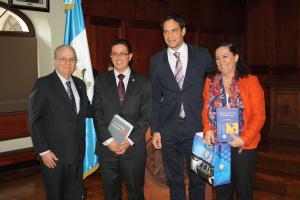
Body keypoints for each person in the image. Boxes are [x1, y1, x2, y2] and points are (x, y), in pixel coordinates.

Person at [150, 13, 212, 200]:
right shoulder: (156, 61)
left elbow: (217, 84)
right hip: (169, 130)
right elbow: (155, 98)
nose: (170, 36)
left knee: (198, 181)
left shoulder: (202, 55)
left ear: (183, 31)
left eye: (174, 30)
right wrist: (156, 130)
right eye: (165, 32)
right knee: (175, 181)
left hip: (197, 128)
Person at [202, 41, 266, 200]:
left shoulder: (250, 81)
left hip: (244, 146)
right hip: (219, 146)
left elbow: (259, 116)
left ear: (236, 57)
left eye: (225, 56)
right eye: (217, 58)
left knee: (244, 192)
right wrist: (207, 128)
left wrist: (243, 139)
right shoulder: (210, 82)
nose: (221, 62)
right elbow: (205, 110)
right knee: (223, 193)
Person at [28, 45, 90, 200]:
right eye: (63, 59)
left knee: (75, 194)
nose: (68, 63)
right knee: (56, 196)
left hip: (76, 152)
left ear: (76, 62)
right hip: (54, 155)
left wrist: (113, 108)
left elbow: (88, 110)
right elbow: (34, 121)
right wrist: (43, 151)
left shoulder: (80, 84)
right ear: (55, 61)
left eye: (72, 59)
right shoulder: (43, 84)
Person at [93, 39, 151, 200]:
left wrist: (129, 141)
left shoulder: (144, 82)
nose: (118, 57)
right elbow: (97, 111)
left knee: (136, 192)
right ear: (110, 57)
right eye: (114, 54)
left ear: (130, 56)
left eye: (123, 53)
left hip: (133, 148)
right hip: (108, 149)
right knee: (111, 193)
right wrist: (109, 140)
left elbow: (146, 116)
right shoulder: (101, 80)